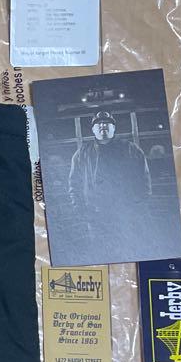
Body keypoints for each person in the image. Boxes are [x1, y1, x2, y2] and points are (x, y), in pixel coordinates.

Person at [66, 109, 152, 259]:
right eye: (98, 124)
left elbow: (143, 179)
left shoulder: (131, 149)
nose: (103, 126)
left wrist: (138, 208)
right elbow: (74, 184)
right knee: (101, 252)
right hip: (96, 215)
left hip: (125, 214)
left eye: (107, 123)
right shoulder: (82, 154)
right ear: (93, 129)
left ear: (114, 128)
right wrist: (82, 211)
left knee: (128, 250)